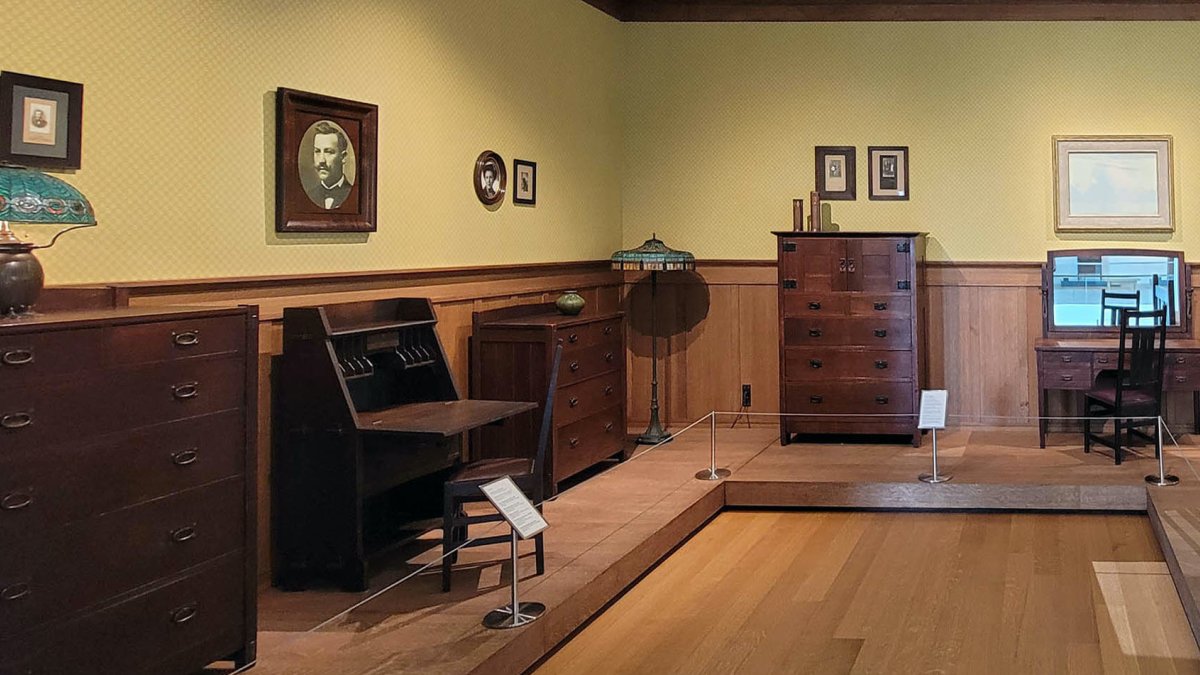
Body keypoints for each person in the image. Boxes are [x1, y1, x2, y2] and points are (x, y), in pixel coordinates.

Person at [307, 121, 353, 209]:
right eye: (317, 151)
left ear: (343, 157)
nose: (321, 160)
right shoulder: (309, 196)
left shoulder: (353, 194)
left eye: (329, 152)